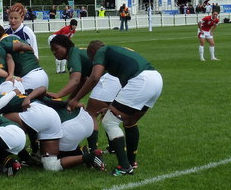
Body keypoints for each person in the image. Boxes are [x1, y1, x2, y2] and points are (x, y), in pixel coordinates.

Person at [68, 41, 163, 176]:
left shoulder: (101, 52)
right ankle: (131, 162)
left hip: (141, 80)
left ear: (93, 53)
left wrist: (75, 99)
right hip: (155, 79)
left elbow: (94, 77)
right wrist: (112, 106)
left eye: (92, 60)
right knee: (130, 122)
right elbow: (125, 87)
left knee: (109, 122)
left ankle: (124, 166)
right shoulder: (116, 53)